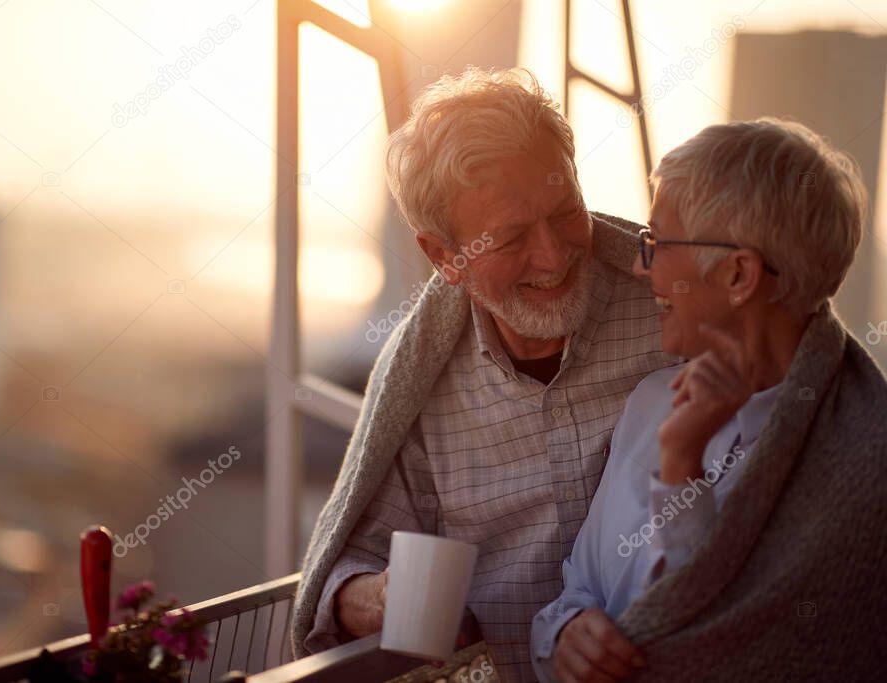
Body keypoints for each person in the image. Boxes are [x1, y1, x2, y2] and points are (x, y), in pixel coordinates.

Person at [290, 67, 677, 682]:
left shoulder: (675, 307)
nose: (552, 256)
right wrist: (386, 602)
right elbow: (345, 569)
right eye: (512, 237)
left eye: (566, 211)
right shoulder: (421, 378)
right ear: (443, 257)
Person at [531, 118, 887, 682]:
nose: (640, 264)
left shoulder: (868, 468)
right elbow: (578, 587)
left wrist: (682, 465)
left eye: (657, 244)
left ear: (739, 274)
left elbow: (704, 642)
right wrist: (564, 634)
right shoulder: (650, 402)